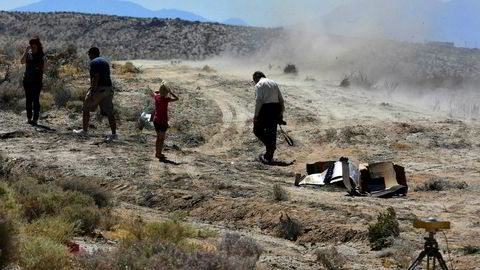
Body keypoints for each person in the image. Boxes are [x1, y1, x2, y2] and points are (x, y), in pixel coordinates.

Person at [74, 47, 117, 139]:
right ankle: (114, 134)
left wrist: (92, 92)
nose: (89, 56)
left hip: (99, 89)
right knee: (109, 112)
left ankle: (84, 131)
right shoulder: (105, 61)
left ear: (92, 54)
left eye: (89, 54)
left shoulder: (93, 62)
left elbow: (96, 77)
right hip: (108, 88)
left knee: (86, 107)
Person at [252, 71, 285, 164]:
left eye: (254, 80)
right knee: (272, 132)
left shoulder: (259, 85)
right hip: (275, 109)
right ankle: (269, 156)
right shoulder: (274, 83)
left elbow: (258, 101)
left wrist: (256, 116)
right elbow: (281, 100)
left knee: (257, 130)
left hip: (265, 109)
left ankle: (270, 147)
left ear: (256, 78)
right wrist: (281, 113)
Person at [151, 81, 179, 160]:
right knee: (162, 138)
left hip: (156, 120)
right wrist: (170, 92)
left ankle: (157, 153)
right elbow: (177, 98)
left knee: (158, 138)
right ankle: (159, 154)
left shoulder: (156, 97)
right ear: (166, 93)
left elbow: (154, 92)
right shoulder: (167, 99)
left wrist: (158, 91)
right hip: (163, 121)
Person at [21, 37, 45, 125]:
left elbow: (44, 68)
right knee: (28, 99)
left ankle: (35, 119)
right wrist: (26, 51)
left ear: (37, 46)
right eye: (31, 46)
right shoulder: (28, 54)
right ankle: (29, 118)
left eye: (34, 46)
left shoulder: (41, 56)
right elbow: (22, 61)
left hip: (37, 81)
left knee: (35, 99)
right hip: (27, 80)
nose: (32, 48)